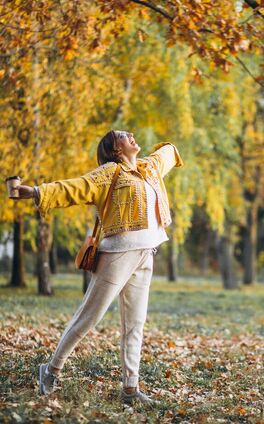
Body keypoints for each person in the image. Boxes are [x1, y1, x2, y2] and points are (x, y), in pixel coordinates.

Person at [13, 130, 183, 405]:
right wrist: (35, 192)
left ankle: (130, 388)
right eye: (123, 136)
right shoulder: (108, 173)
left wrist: (171, 148)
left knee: (135, 323)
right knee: (89, 317)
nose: (130, 135)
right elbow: (74, 188)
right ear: (115, 150)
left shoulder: (148, 169)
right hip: (116, 256)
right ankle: (51, 369)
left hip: (145, 254)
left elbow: (167, 153)